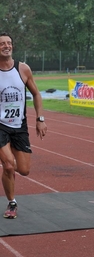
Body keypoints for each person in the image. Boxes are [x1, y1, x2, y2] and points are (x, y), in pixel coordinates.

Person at [0, 32, 48, 219]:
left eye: (9, 43)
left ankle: (6, 158)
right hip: (0, 126)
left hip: (19, 126)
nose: (6, 46)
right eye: (2, 43)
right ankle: (12, 203)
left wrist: (40, 119)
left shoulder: (23, 69)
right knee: (9, 166)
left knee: (24, 170)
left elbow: (36, 94)